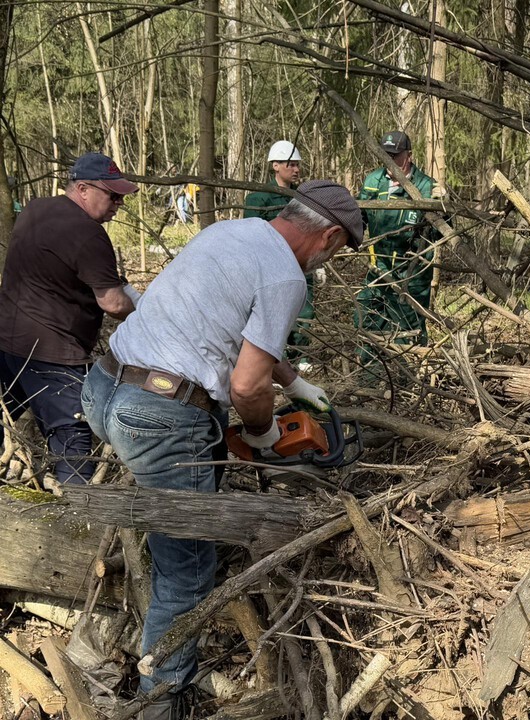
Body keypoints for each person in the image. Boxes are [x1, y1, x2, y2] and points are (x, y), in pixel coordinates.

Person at [81, 179, 363, 720]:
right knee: (187, 569)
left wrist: (296, 384)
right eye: (337, 248)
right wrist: (260, 433)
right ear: (327, 235)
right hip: (161, 416)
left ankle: (145, 639)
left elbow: (240, 333)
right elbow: (247, 388)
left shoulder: (232, 232)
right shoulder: (285, 276)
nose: (329, 258)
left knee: (167, 532)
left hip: (106, 385)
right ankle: (160, 701)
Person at [0, 152, 139, 485]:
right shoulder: (89, 234)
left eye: (121, 196)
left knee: (4, 414)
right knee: (72, 436)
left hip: (7, 340)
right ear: (83, 189)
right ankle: (78, 518)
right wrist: (147, 316)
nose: (118, 203)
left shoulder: (35, 210)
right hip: (53, 354)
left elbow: (61, 268)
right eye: (112, 195)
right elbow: (114, 303)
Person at [355, 131, 439, 378]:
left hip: (411, 274)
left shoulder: (425, 186)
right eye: (386, 156)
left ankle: (409, 382)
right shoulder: (373, 182)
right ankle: (368, 381)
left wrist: (441, 210)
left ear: (409, 156)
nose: (390, 162)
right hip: (378, 269)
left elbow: (442, 232)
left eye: (396, 156)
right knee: (369, 320)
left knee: (409, 328)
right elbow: (359, 219)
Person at [244, 140, 317, 371]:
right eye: (290, 164)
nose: (296, 169)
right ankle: (275, 361)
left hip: (301, 265)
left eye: (297, 165)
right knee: (273, 314)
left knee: (304, 310)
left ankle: (301, 357)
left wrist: (318, 264)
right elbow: (252, 236)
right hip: (271, 268)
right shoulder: (259, 198)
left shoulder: (304, 197)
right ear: (275, 165)